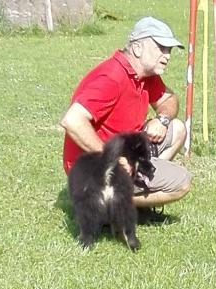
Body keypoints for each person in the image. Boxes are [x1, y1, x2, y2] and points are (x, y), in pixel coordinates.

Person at [60, 16, 191, 215]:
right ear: (137, 48)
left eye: (169, 50)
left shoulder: (145, 76)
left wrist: (162, 119)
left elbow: (168, 100)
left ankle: (136, 196)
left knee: (177, 129)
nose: (167, 56)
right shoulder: (112, 77)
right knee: (181, 182)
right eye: (161, 48)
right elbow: (72, 121)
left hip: (124, 151)